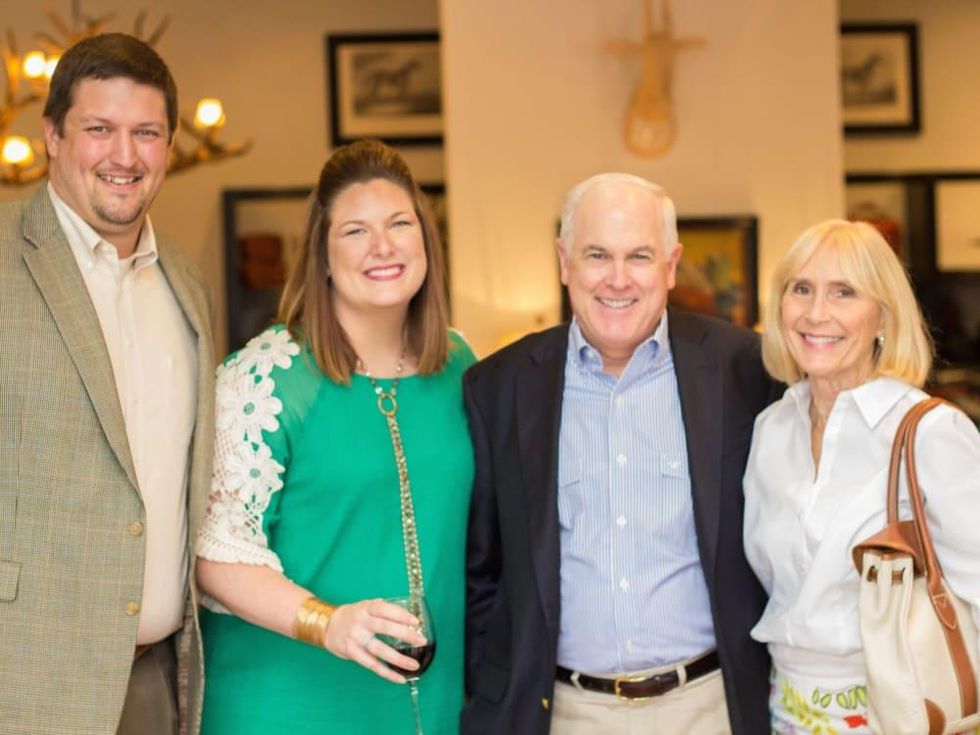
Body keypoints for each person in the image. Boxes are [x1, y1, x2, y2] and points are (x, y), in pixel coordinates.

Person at [461, 173, 780, 735]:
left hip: (710, 708)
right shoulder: (499, 387)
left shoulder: (746, 370)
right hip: (563, 713)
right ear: (564, 262)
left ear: (671, 265)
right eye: (596, 255)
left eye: (639, 256)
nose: (617, 279)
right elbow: (482, 570)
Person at [195, 139, 475, 734]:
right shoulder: (261, 379)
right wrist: (328, 623)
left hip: (437, 703)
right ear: (321, 256)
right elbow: (215, 553)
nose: (382, 246)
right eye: (354, 231)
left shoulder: (460, 363)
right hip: (286, 704)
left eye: (400, 223)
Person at [0, 34, 214, 735]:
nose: (125, 156)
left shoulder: (184, 280)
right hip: (24, 677)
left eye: (146, 132)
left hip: (156, 680)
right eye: (99, 129)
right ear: (53, 135)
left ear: (169, 145)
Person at [743, 219, 980, 733]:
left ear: (883, 319)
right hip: (784, 710)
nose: (815, 313)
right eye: (800, 289)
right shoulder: (772, 428)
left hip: (900, 712)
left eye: (844, 292)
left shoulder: (930, 433)